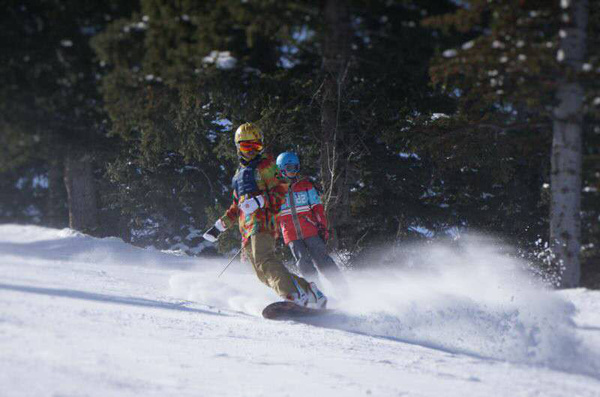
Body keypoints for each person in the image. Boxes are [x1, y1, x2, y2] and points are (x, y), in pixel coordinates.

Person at [203, 123, 327, 309]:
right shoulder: (238, 175)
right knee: (262, 273)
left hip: (263, 222)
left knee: (265, 260)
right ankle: (310, 291)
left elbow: (281, 190)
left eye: (256, 147)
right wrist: (219, 227)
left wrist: (260, 201)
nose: (251, 152)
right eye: (247, 147)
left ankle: (293, 295)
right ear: (238, 147)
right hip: (247, 229)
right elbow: (237, 207)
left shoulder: (266, 166)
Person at [276, 151, 345, 285]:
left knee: (322, 259)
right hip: (291, 234)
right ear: (281, 169)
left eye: (296, 168)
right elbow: (271, 213)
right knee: (303, 263)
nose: (293, 172)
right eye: (290, 168)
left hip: (311, 230)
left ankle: (342, 288)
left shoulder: (306, 186)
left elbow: (317, 208)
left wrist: (322, 227)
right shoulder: (276, 191)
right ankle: (316, 291)